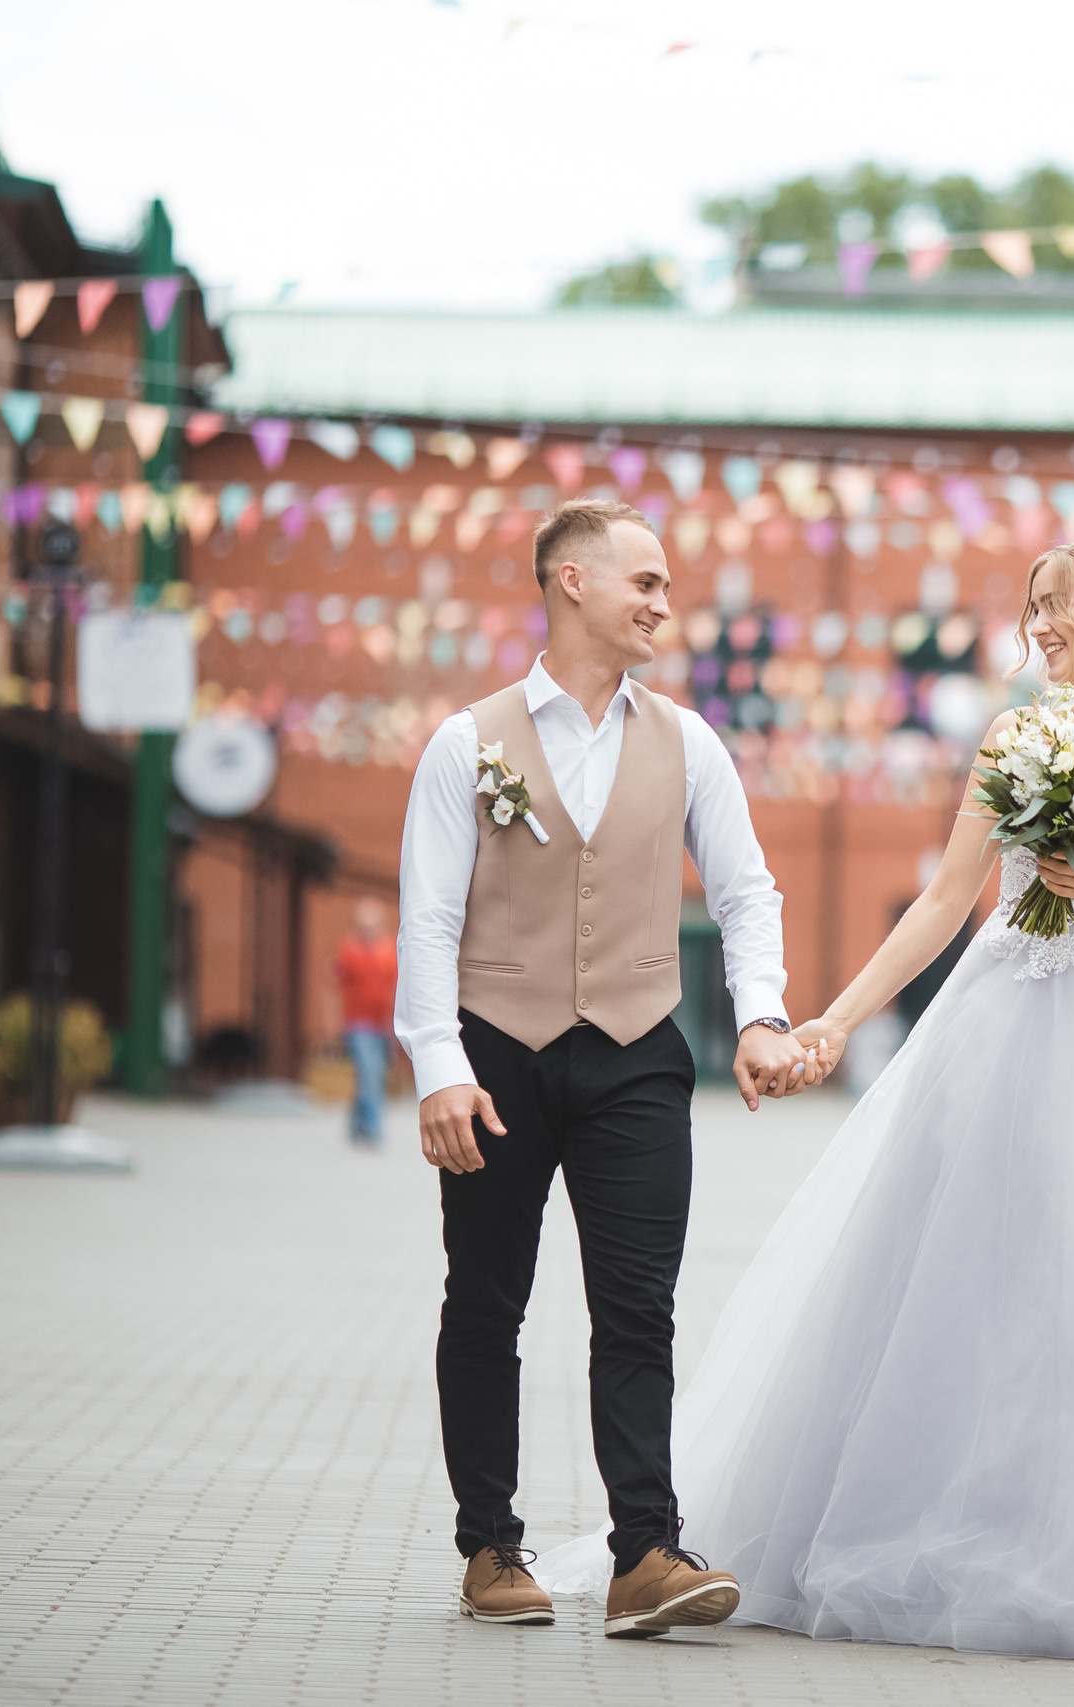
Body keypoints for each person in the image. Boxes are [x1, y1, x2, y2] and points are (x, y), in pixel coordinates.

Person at [532, 535, 1074, 1662]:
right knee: (954, 1267)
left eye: (1057, 604)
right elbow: (948, 901)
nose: (1037, 627)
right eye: (1032, 607)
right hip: (994, 1026)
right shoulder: (1013, 736)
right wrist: (833, 1020)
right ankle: (922, 1514)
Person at [395, 498, 817, 1638]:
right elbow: (428, 918)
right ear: (571, 581)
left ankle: (646, 1554)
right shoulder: (467, 742)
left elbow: (746, 892)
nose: (663, 605)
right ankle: (490, 1545)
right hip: (494, 1056)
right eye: (646, 582)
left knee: (639, 1309)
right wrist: (438, 1065)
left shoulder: (690, 741)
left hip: (637, 1055)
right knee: (486, 1303)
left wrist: (762, 1015)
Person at [334, 899, 398, 1147]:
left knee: (371, 1075)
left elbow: (395, 987)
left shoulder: (388, 951)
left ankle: (356, 1124)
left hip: (383, 1024)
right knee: (370, 1072)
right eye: (364, 926)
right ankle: (373, 1129)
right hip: (358, 1024)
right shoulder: (348, 951)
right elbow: (334, 986)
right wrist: (333, 1025)